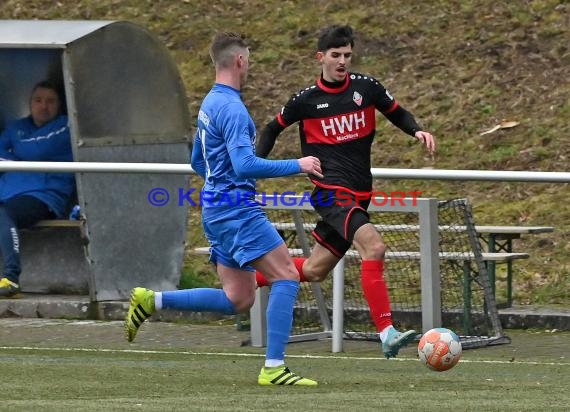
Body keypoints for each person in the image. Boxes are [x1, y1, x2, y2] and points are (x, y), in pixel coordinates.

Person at [125, 32, 322, 386]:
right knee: (287, 275)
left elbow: (197, 161)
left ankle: (151, 300)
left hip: (215, 208)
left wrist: (218, 187)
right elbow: (245, 165)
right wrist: (299, 164)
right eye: (249, 62)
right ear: (240, 61)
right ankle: (274, 367)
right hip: (237, 210)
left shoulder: (210, 104)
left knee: (239, 297)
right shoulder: (232, 109)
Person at [254, 25, 436, 359]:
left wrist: (417, 130)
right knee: (375, 246)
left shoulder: (366, 88)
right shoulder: (305, 101)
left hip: (359, 194)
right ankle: (387, 332)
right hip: (330, 193)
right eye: (335, 55)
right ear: (320, 57)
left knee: (314, 271)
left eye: (347, 55)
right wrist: (252, 168)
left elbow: (396, 113)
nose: (342, 62)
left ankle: (247, 277)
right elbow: (270, 129)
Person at [0, 80, 76, 298]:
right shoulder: (16, 127)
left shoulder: (66, 125)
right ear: (30, 103)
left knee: (3, 214)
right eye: (38, 100)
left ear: (60, 105)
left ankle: (11, 277)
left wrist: (15, 153)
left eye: (50, 101)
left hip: (44, 196)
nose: (44, 106)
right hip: (7, 191)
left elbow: (37, 150)